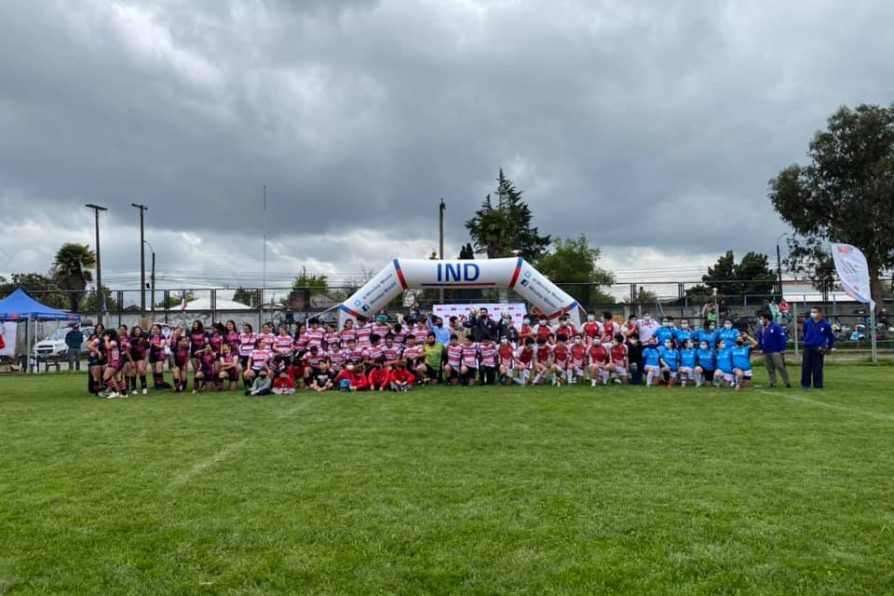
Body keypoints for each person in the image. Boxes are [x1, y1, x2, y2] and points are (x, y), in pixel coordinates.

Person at [801, 306, 835, 390]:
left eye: (814, 312)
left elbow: (830, 337)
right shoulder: (807, 323)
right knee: (806, 367)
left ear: (819, 313)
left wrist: (829, 347)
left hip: (819, 348)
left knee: (818, 367)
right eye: (812, 311)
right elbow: (805, 332)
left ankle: (818, 385)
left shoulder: (826, 325)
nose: (812, 313)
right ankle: (805, 384)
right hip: (808, 347)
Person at [756, 311, 791, 388]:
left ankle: (787, 382)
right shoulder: (762, 329)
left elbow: (781, 338)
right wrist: (761, 348)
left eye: (761, 319)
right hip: (766, 351)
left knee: (780, 366)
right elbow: (761, 339)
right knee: (769, 368)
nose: (760, 320)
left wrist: (782, 348)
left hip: (776, 350)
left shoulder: (776, 327)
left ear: (766, 319)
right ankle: (773, 382)